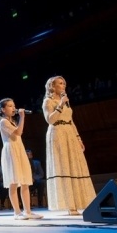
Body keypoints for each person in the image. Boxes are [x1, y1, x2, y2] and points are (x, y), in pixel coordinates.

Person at [42, 75, 96, 215]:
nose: (64, 85)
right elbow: (50, 119)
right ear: (52, 86)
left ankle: (81, 202)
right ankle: (70, 205)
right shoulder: (48, 101)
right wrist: (60, 105)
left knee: (75, 166)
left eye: (64, 83)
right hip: (57, 133)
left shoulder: (66, 101)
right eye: (60, 83)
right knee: (64, 166)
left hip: (69, 133)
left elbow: (71, 121)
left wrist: (78, 138)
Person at [0, 99, 43, 220]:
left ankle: (28, 211)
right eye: (10, 106)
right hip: (11, 151)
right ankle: (17, 212)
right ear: (3, 109)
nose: (13, 108)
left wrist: (20, 119)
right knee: (13, 181)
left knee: (25, 181)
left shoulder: (12, 121)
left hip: (20, 150)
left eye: (14, 105)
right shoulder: (3, 122)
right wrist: (22, 117)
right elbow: (18, 133)